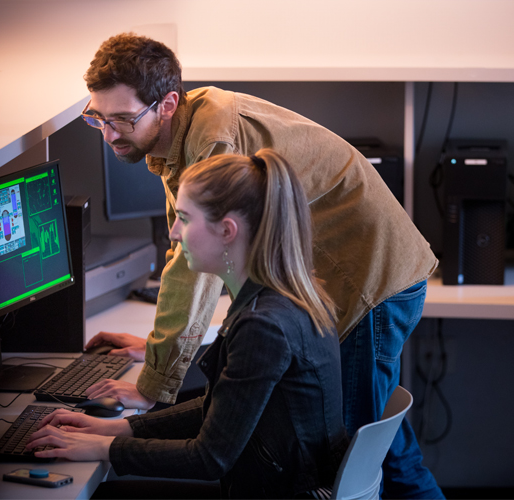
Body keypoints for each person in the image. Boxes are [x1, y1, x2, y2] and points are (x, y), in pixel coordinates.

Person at [77, 33, 443, 498]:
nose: (108, 134)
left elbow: (193, 269)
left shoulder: (213, 139)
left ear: (166, 104)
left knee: (360, 461)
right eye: (98, 119)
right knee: (379, 447)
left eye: (122, 119)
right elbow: (183, 248)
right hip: (353, 277)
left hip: (367, 278)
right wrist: (157, 351)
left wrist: (152, 384)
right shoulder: (188, 122)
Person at [27, 150, 349, 498]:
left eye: (184, 217)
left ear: (227, 230)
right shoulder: (284, 296)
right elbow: (222, 413)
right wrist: (118, 430)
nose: (174, 232)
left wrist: (101, 449)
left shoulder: (264, 325)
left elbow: (209, 457)